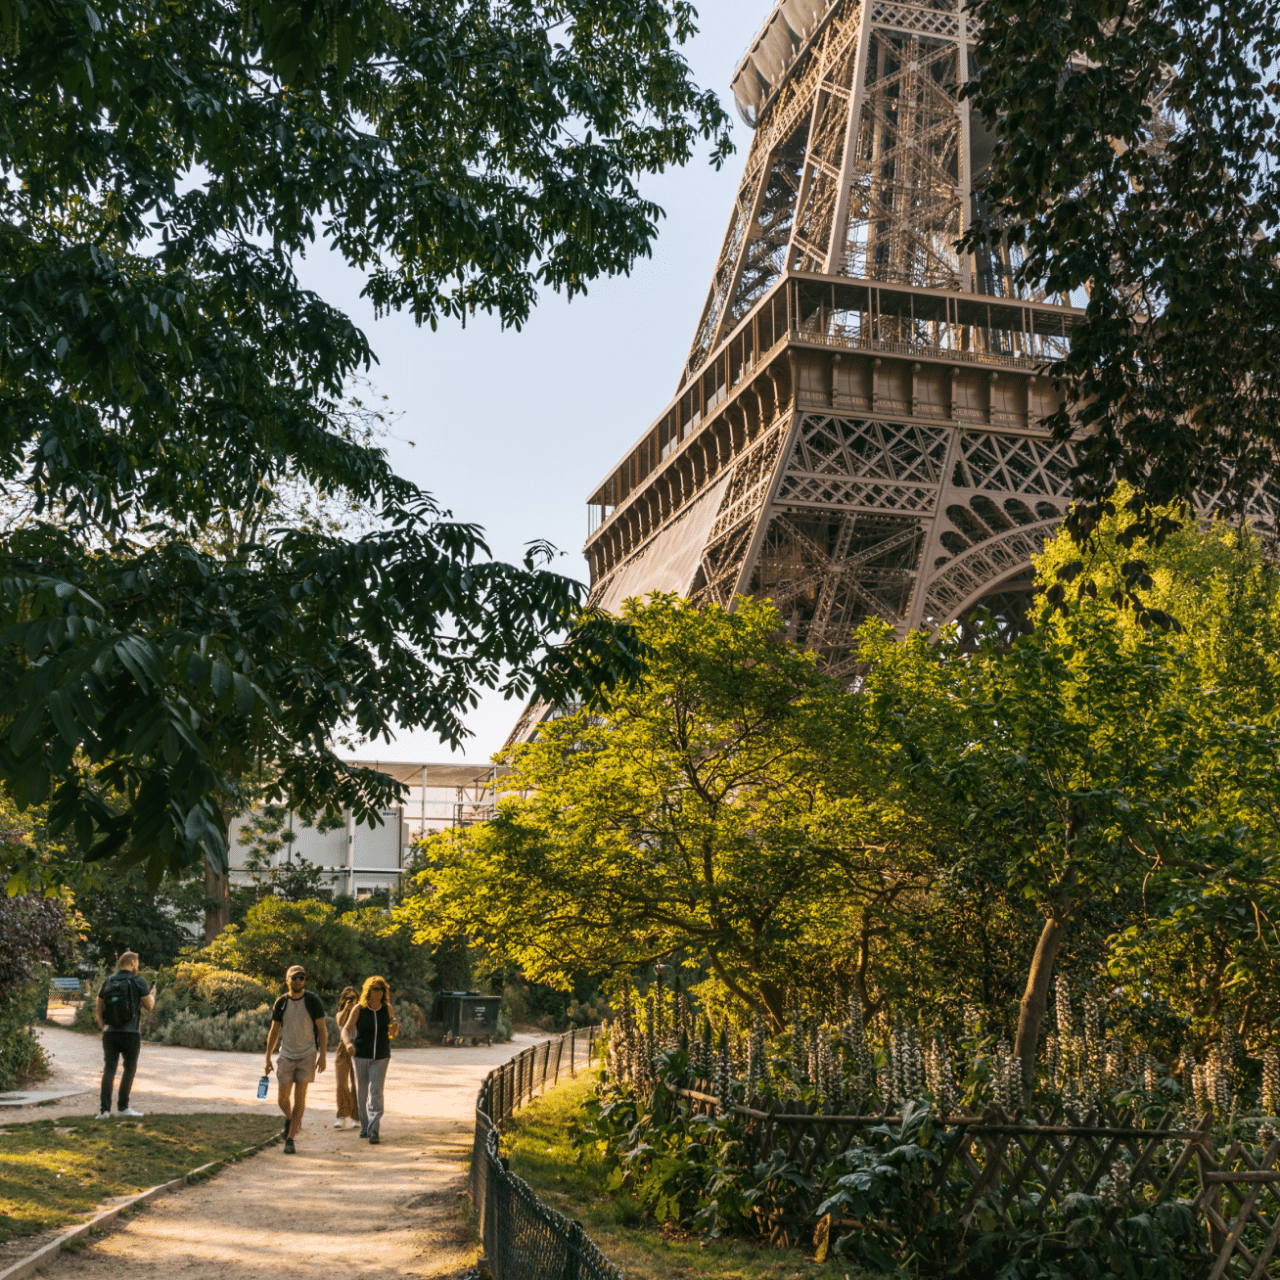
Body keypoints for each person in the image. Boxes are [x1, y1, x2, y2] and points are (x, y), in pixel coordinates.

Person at [263, 964, 327, 1155]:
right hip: (286, 1055)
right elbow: (274, 1031)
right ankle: (291, 1120)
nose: (298, 981)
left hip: (307, 1055)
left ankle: (290, 1139)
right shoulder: (281, 1002)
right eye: (295, 977)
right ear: (287, 980)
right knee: (282, 1099)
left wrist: (322, 1055)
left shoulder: (313, 1001)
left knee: (300, 1098)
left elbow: (322, 1030)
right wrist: (267, 1058)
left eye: (302, 977)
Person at [94, 950, 155, 1119]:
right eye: (137, 963)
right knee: (129, 1069)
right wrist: (153, 995)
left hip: (110, 1033)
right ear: (133, 964)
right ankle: (122, 1108)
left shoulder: (108, 981)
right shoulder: (138, 981)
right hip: (131, 1033)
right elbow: (149, 1006)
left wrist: (103, 1027)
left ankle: (104, 1111)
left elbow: (99, 1007)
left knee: (109, 1069)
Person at [339, 975, 400, 1145]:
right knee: (362, 1092)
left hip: (381, 1056)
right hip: (360, 1055)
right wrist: (348, 1044)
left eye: (381, 989)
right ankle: (365, 1127)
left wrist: (394, 1031)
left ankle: (374, 1131)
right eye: (374, 989)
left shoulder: (387, 1009)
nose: (378, 992)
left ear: (384, 991)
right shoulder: (359, 1009)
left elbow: (392, 1034)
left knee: (376, 1092)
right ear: (368, 990)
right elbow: (345, 1030)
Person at [332, 985, 359, 1130]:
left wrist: (355, 1008)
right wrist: (347, 1009)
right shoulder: (340, 1014)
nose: (349, 1000)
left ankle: (356, 1117)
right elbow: (341, 1022)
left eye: (352, 998)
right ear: (343, 999)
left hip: (358, 1046)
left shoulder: (360, 1012)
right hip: (343, 1047)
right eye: (347, 997)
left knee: (357, 1084)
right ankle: (342, 1116)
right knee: (341, 1083)